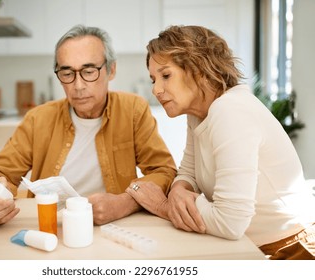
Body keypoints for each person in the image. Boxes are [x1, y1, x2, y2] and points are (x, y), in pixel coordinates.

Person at [126, 25, 315, 260]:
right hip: (257, 245)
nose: (155, 89)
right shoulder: (199, 113)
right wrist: (178, 190)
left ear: (198, 69)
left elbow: (230, 222)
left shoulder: (230, 111)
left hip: (293, 248)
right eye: (153, 79)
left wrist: (165, 207)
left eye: (166, 76)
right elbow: (188, 172)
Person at [0, 24, 176, 226]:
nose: (78, 85)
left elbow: (164, 171)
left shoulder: (132, 110)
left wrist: (125, 202)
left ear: (111, 70)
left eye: (89, 71)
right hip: (50, 225)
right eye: (67, 73)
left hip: (113, 226)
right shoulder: (39, 119)